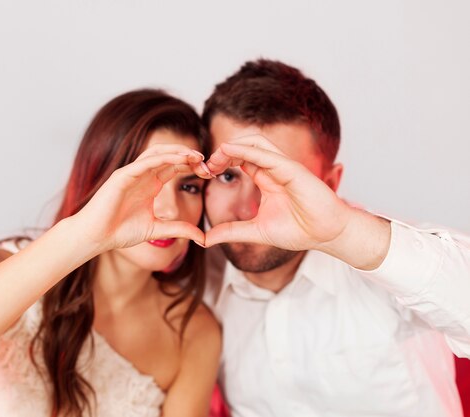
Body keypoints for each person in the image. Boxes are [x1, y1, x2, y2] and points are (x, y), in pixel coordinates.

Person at [0, 89, 222, 417]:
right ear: (102, 181)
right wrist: (84, 234)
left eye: (189, 187)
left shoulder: (195, 332)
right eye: (149, 179)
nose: (170, 209)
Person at [199, 58, 470, 417]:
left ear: (329, 185)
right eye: (228, 177)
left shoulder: (385, 261)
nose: (249, 209)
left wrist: (342, 230)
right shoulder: (194, 279)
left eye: (278, 180)